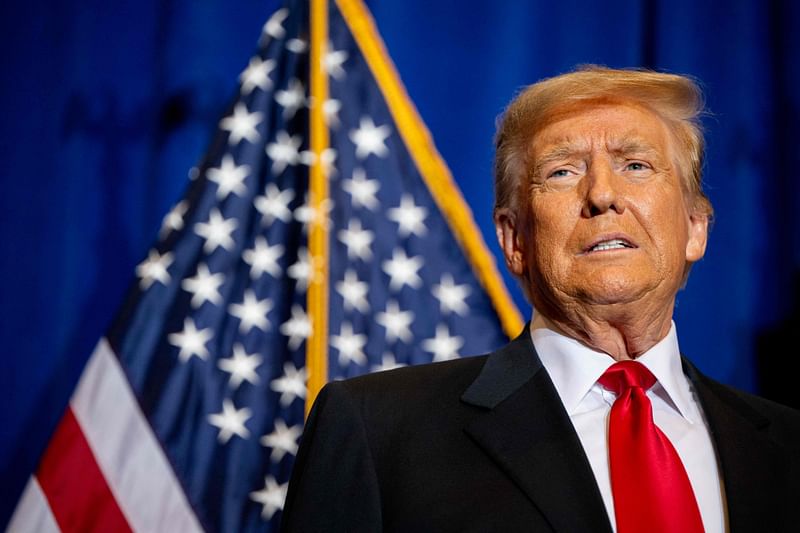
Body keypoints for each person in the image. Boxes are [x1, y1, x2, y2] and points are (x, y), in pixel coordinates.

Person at [280, 66, 800, 532]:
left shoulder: (787, 444)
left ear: (695, 228)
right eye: (562, 171)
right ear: (514, 240)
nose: (601, 195)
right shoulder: (380, 431)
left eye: (636, 165)